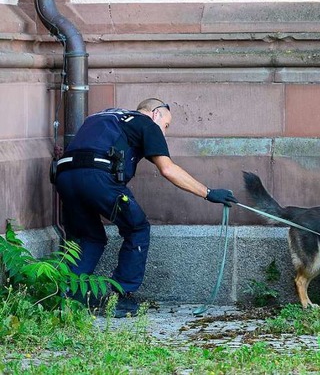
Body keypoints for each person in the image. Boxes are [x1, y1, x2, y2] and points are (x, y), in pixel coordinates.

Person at [55, 98, 238, 317]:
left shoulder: (101, 116)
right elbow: (168, 169)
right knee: (137, 228)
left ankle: (68, 298)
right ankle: (119, 298)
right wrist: (208, 193)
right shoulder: (147, 124)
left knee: (89, 238)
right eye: (166, 125)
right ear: (155, 114)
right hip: (99, 177)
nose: (164, 132)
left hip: (64, 176)